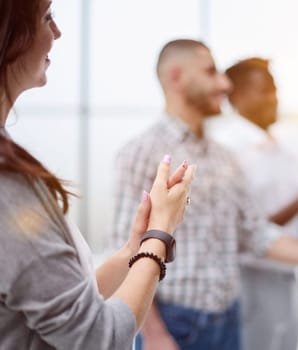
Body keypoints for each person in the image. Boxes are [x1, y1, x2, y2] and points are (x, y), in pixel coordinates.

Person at [112, 39, 298, 350]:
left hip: (228, 320)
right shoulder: (142, 152)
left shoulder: (223, 157)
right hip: (176, 326)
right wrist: (154, 334)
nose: (224, 83)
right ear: (176, 77)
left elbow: (255, 232)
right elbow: (125, 252)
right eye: (212, 73)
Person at [0, 1, 195, 349]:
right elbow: (98, 336)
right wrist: (160, 235)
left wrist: (132, 249)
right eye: (47, 17)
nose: (57, 32)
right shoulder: (7, 185)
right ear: (9, 32)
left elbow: (66, 302)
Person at [206, 57, 298, 350]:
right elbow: (244, 231)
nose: (275, 99)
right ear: (239, 96)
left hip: (288, 279)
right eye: (265, 90)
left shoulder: (288, 155)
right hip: (247, 281)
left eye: (276, 90)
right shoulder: (226, 151)